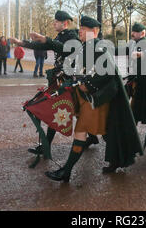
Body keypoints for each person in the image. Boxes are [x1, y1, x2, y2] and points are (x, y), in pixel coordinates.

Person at [11, 15, 143, 182]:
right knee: (105, 130)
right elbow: (67, 54)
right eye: (80, 28)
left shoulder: (98, 46)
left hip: (96, 99)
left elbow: (109, 72)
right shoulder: (85, 45)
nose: (80, 31)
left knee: (81, 131)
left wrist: (87, 84)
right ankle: (119, 158)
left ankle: (66, 172)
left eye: (84, 29)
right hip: (89, 97)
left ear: (94, 32)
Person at [18, 11, 97, 156]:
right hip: (62, 78)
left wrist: (46, 39)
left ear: (64, 23)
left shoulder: (72, 37)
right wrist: (22, 43)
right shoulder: (61, 36)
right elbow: (43, 46)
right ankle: (91, 138)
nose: (54, 23)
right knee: (66, 111)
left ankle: (47, 146)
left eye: (56, 21)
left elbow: (63, 49)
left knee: (60, 110)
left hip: (70, 80)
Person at [115, 22, 146, 131]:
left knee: (138, 110)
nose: (132, 33)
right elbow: (123, 50)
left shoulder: (145, 45)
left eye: (135, 32)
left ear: (142, 33)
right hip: (139, 82)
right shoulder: (134, 44)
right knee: (136, 110)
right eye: (132, 31)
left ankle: (133, 132)